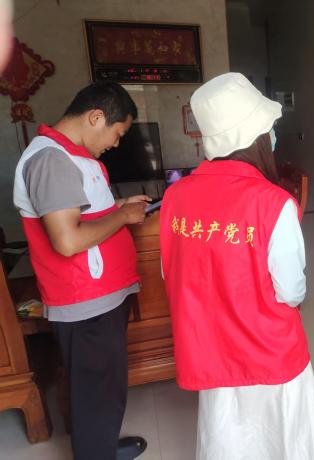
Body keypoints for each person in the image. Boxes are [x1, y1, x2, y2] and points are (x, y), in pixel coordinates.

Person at [159, 72, 314, 460]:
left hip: (209, 343)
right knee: (284, 437)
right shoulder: (273, 202)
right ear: (256, 137)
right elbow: (291, 291)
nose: (273, 136)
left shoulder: (175, 197)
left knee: (227, 435)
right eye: (269, 129)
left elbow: (172, 274)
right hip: (269, 346)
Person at [13, 82, 149, 460]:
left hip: (101, 294)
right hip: (84, 300)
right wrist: (123, 216)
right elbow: (67, 240)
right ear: (96, 117)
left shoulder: (74, 157)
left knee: (104, 387)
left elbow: (81, 213)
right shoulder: (51, 160)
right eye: (117, 133)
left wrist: (119, 205)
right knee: (95, 391)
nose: (116, 144)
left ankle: (102, 447)